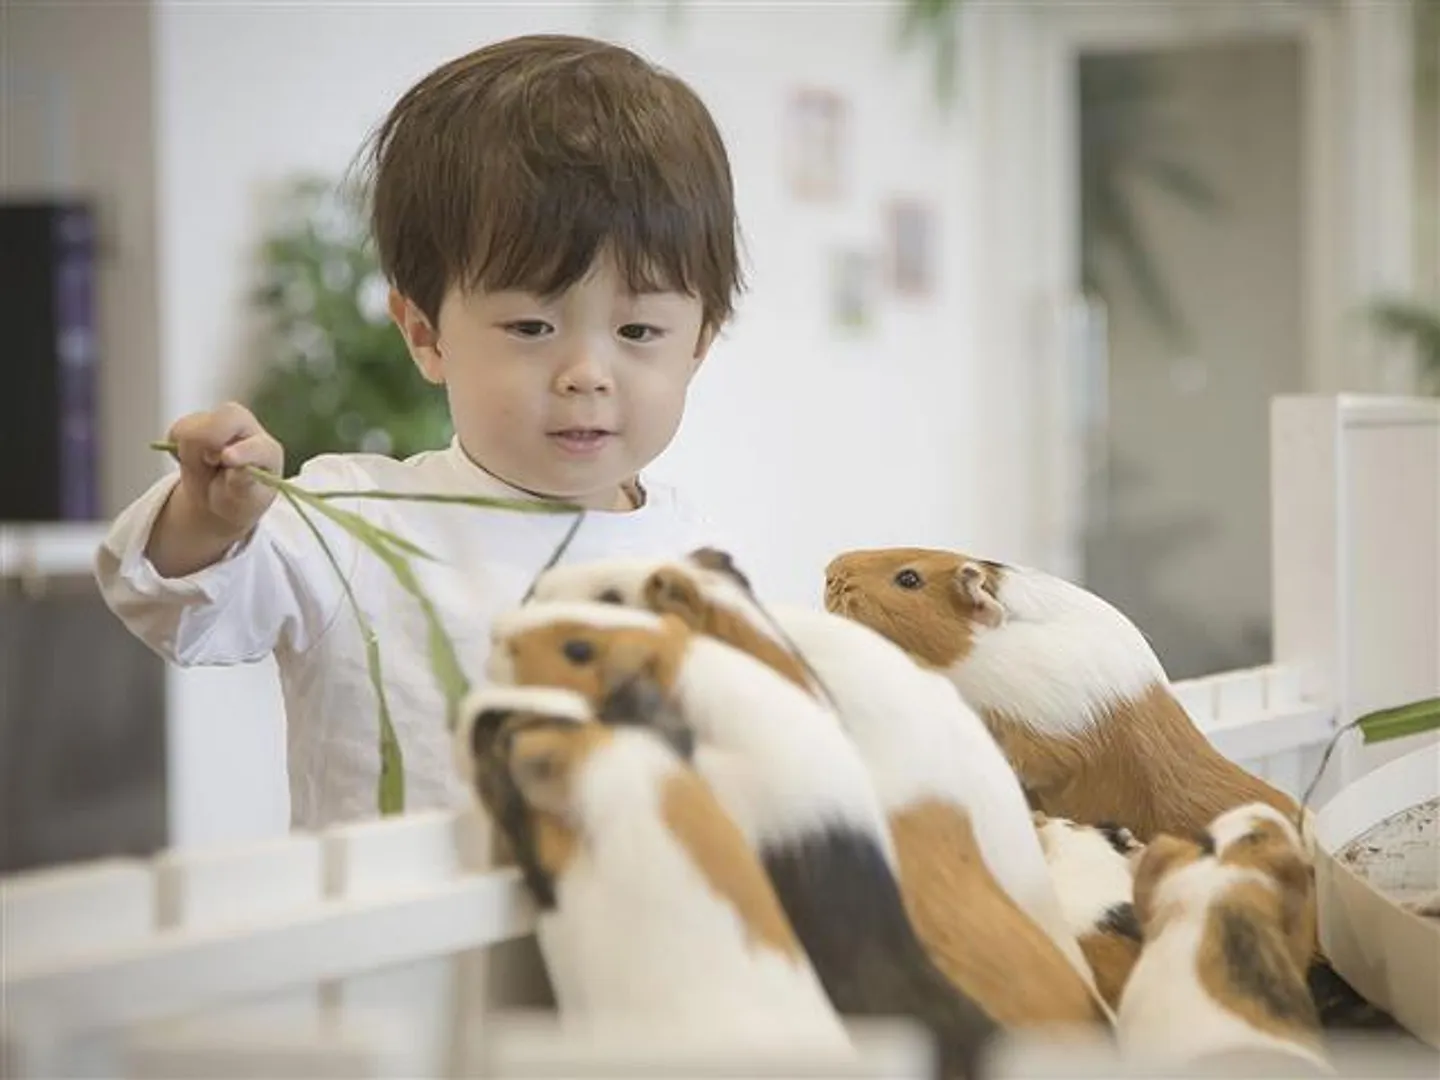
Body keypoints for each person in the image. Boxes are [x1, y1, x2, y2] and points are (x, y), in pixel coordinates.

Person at [94, 34, 743, 830]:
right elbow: (166, 599)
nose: (587, 372)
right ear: (425, 334)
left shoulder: (698, 559)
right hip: (397, 953)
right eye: (533, 325)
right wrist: (213, 517)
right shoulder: (358, 522)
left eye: (638, 332)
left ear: (700, 343)